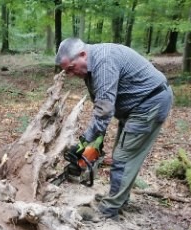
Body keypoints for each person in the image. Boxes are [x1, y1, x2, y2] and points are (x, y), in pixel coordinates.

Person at [55, 38, 173, 220]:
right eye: (67, 71)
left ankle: (108, 210)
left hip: (149, 104)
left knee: (123, 159)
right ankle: (118, 198)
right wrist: (92, 145)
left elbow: (104, 111)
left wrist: (84, 142)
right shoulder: (91, 69)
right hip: (135, 107)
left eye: (71, 68)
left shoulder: (104, 62)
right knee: (122, 154)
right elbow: (101, 106)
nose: (71, 74)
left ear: (82, 55)